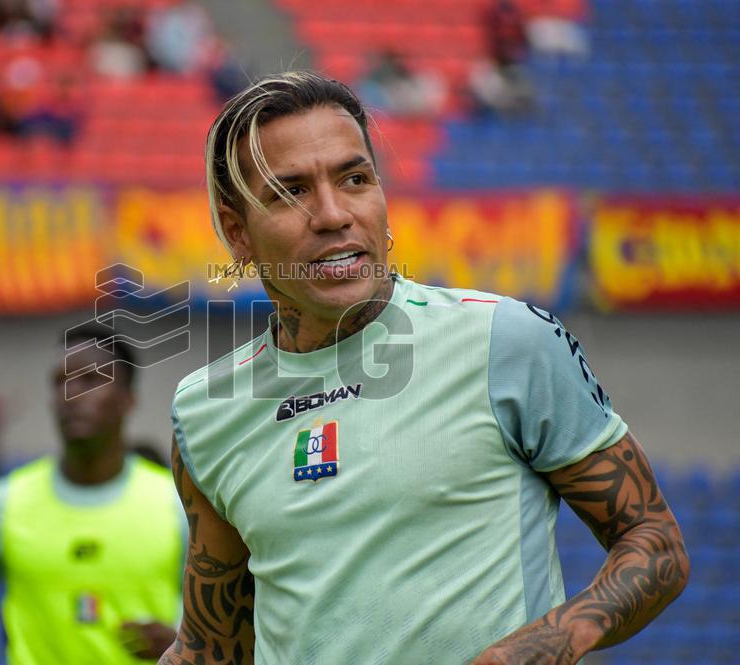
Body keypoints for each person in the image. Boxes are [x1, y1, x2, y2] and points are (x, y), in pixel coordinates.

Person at [160, 71, 690, 664]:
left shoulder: (505, 341)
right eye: (291, 193)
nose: (334, 214)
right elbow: (212, 649)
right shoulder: (205, 410)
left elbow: (656, 545)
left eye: (354, 179)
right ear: (238, 233)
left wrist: (542, 644)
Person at [0, 329, 185, 665]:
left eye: (91, 379)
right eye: (60, 381)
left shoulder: (177, 505)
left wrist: (184, 646)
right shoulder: (2, 504)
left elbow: (227, 627)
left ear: (128, 399)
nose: (71, 394)